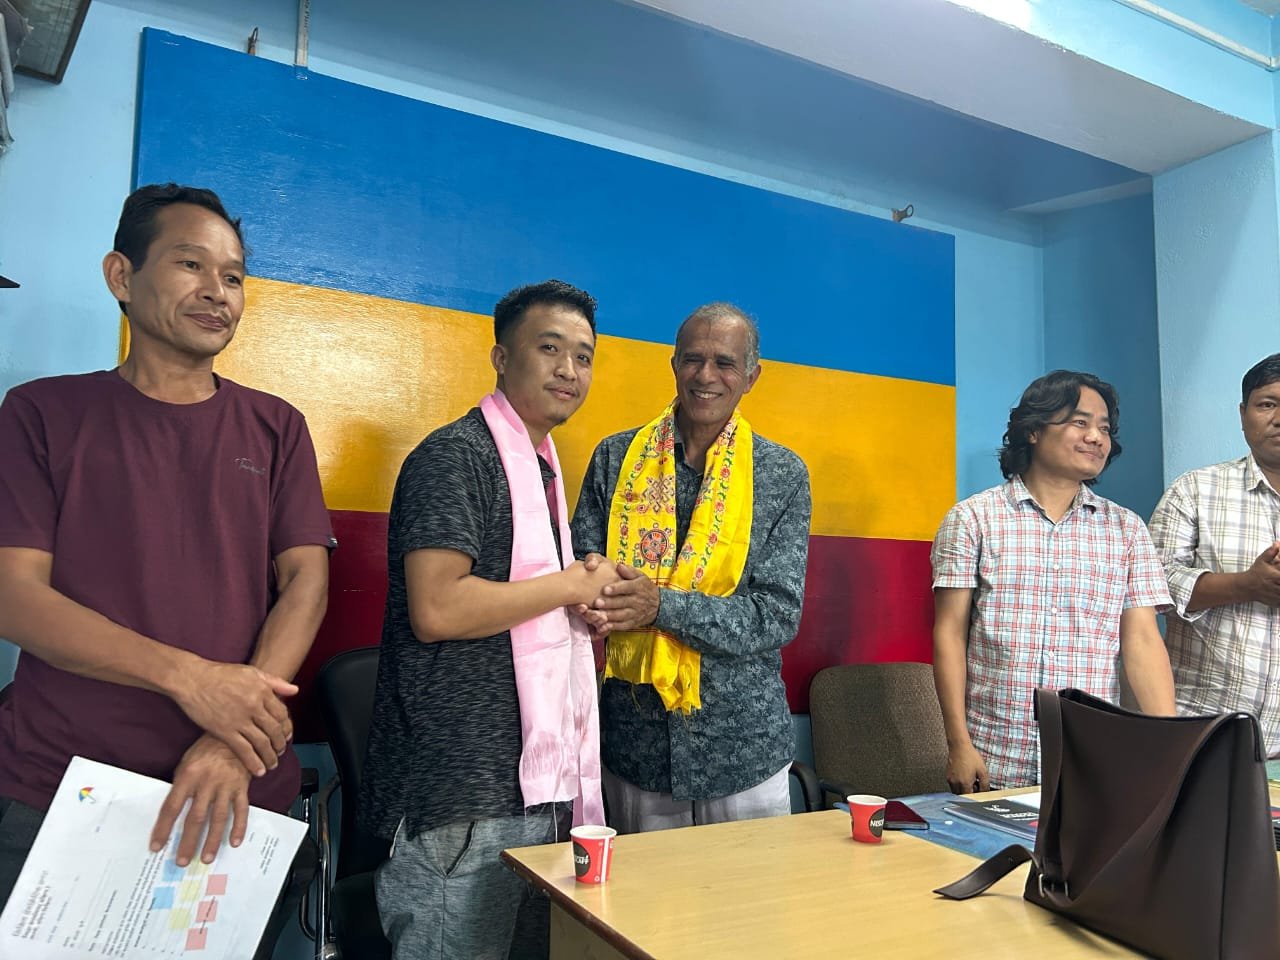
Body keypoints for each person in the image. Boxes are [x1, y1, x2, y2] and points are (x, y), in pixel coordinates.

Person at [0, 183, 332, 957]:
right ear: (121, 275)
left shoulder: (276, 426)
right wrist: (193, 680)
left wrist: (229, 740)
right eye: (191, 264)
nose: (218, 291)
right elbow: (14, 598)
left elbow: (306, 583)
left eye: (234, 275)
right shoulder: (41, 414)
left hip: (238, 793)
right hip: (65, 791)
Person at [360, 279, 614, 960]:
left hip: (535, 786)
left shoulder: (543, 472)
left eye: (583, 356)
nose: (569, 370)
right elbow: (438, 608)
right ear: (501, 357)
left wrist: (585, 606)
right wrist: (568, 585)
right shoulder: (456, 458)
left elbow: (527, 603)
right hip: (460, 796)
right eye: (550, 348)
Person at [571, 301, 811, 834]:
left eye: (725, 363)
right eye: (693, 360)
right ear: (674, 365)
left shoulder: (781, 474)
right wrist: (598, 602)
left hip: (742, 746)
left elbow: (775, 615)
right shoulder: (615, 458)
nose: (706, 376)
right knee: (642, 891)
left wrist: (660, 607)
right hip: (636, 741)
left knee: (750, 891)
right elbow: (581, 576)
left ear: (751, 376)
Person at [931, 370, 1175, 792]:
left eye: (1104, 429)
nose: (1096, 438)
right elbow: (950, 633)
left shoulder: (1127, 528)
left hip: (1092, 761)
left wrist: (1170, 747)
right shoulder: (972, 519)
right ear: (1033, 430)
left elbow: (1142, 640)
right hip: (996, 756)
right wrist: (958, 743)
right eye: (1080, 422)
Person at [1149, 353, 1280, 753]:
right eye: (1267, 404)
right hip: (1202, 733)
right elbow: (1151, 587)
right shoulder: (1195, 490)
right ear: (1243, 414)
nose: (1279, 418)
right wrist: (1245, 585)